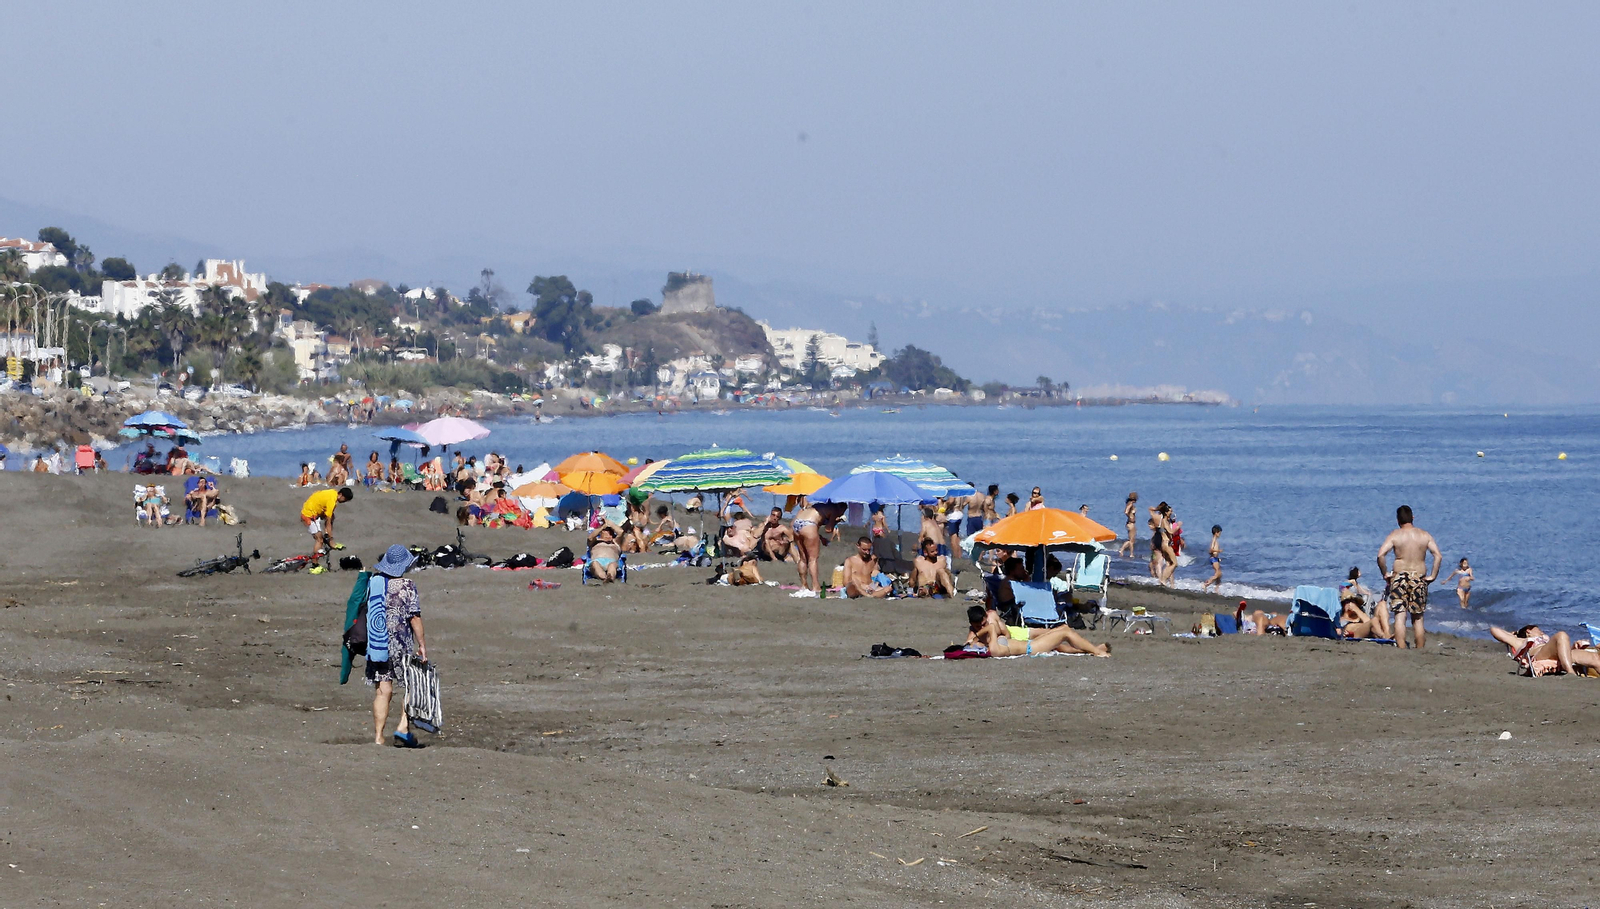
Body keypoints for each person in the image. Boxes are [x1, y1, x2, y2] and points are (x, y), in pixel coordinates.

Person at [363, 544, 428, 747]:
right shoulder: (407, 585)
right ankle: (402, 726)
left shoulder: (375, 582)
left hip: (378, 643)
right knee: (411, 685)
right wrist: (422, 644)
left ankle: (378, 737)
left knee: (383, 691)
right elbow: (414, 617)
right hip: (400, 645)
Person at [1376, 505, 1443, 650]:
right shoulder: (1424, 535)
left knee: (1400, 615)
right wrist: (1433, 576)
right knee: (1418, 617)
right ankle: (1419, 649)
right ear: (1413, 517)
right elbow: (1438, 555)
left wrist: (1385, 573)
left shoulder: (1395, 535)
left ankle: (1401, 648)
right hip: (1418, 577)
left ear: (1397, 520)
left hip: (1399, 576)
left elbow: (1380, 555)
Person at [965, 603, 1110, 657]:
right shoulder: (983, 640)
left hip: (1030, 644)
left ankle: (1091, 650)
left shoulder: (990, 623)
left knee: (1063, 630)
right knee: (1065, 633)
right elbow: (968, 645)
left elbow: (1004, 633)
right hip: (1031, 648)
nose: (982, 628)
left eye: (983, 624)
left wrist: (981, 635)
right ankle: (1097, 652)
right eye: (978, 627)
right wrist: (978, 636)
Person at [1491, 625, 1600, 677]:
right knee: (1561, 635)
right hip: (1540, 655)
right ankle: (1571, 673)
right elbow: (1494, 629)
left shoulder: (1547, 641)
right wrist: (1514, 633)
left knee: (1594, 658)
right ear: (1528, 631)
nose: (1542, 631)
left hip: (1559, 655)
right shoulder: (1520, 641)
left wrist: (1573, 647)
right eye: (1538, 629)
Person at [300, 486, 354, 572]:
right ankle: (314, 565)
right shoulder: (332, 500)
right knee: (319, 540)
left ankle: (326, 537)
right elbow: (328, 522)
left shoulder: (332, 493)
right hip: (309, 515)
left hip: (313, 511)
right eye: (345, 499)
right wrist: (331, 540)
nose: (344, 502)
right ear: (340, 495)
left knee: (332, 517)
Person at [1340, 567, 1389, 638]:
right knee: (1374, 621)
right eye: (1347, 602)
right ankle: (1383, 636)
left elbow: (1368, 621)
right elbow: (1369, 622)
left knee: (1382, 604)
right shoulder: (1342, 619)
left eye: (1353, 601)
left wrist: (1356, 609)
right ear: (1343, 605)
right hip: (1357, 632)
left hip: (1369, 626)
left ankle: (1387, 634)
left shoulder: (1359, 613)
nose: (1350, 604)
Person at [1202, 525, 1223, 593]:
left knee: (1219, 574)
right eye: (1219, 533)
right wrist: (1218, 551)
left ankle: (1217, 589)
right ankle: (1206, 584)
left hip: (1215, 558)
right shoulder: (1214, 539)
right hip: (1213, 559)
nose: (1220, 534)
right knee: (1217, 574)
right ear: (1216, 533)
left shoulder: (1215, 540)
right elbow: (1210, 550)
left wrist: (1218, 558)